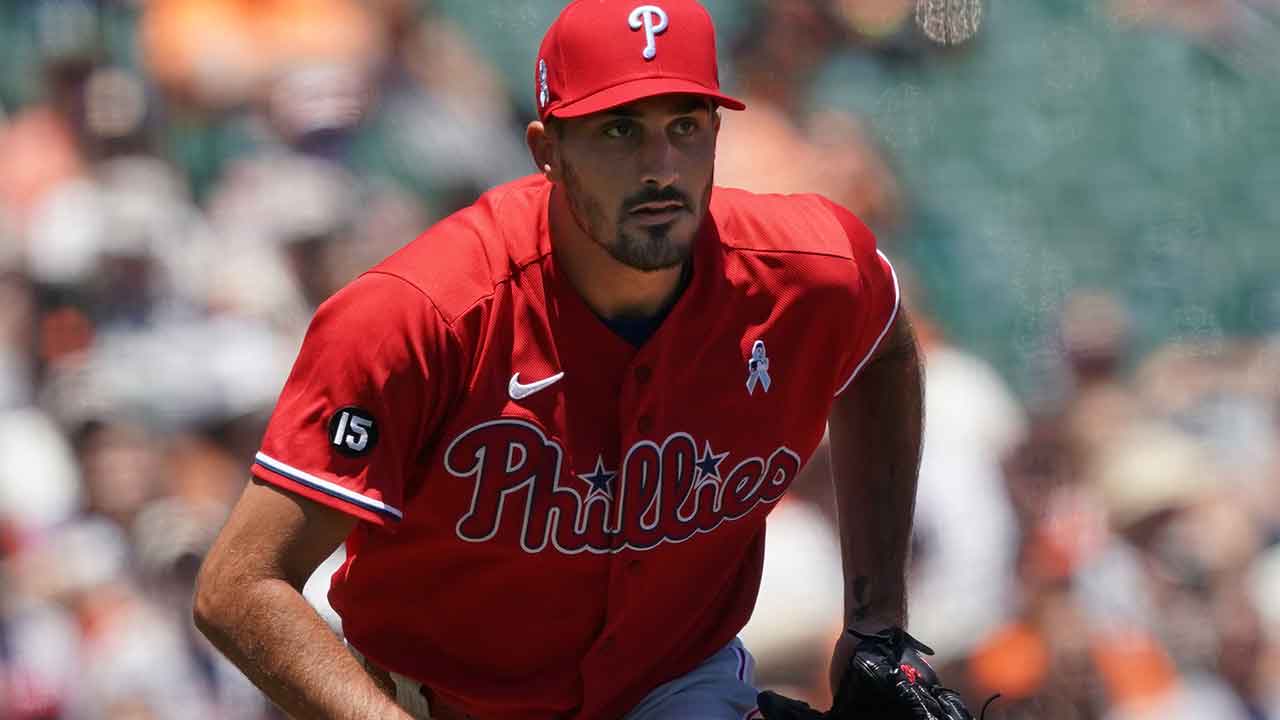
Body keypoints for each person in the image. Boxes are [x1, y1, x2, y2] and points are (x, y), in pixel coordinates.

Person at [193, 2, 975, 718]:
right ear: (548, 151)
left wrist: (877, 620)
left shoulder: (810, 268)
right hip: (434, 700)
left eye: (686, 125)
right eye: (618, 130)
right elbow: (239, 587)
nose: (660, 167)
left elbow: (879, 340)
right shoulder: (421, 315)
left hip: (673, 684)